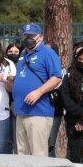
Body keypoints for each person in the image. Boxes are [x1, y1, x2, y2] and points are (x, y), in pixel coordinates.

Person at [10, 23, 63, 156]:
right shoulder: (23, 54)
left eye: (32, 35)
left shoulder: (47, 53)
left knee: (38, 154)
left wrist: (38, 92)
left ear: (40, 37)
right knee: (22, 153)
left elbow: (56, 78)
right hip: (21, 110)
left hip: (38, 111)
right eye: (26, 35)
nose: (29, 38)